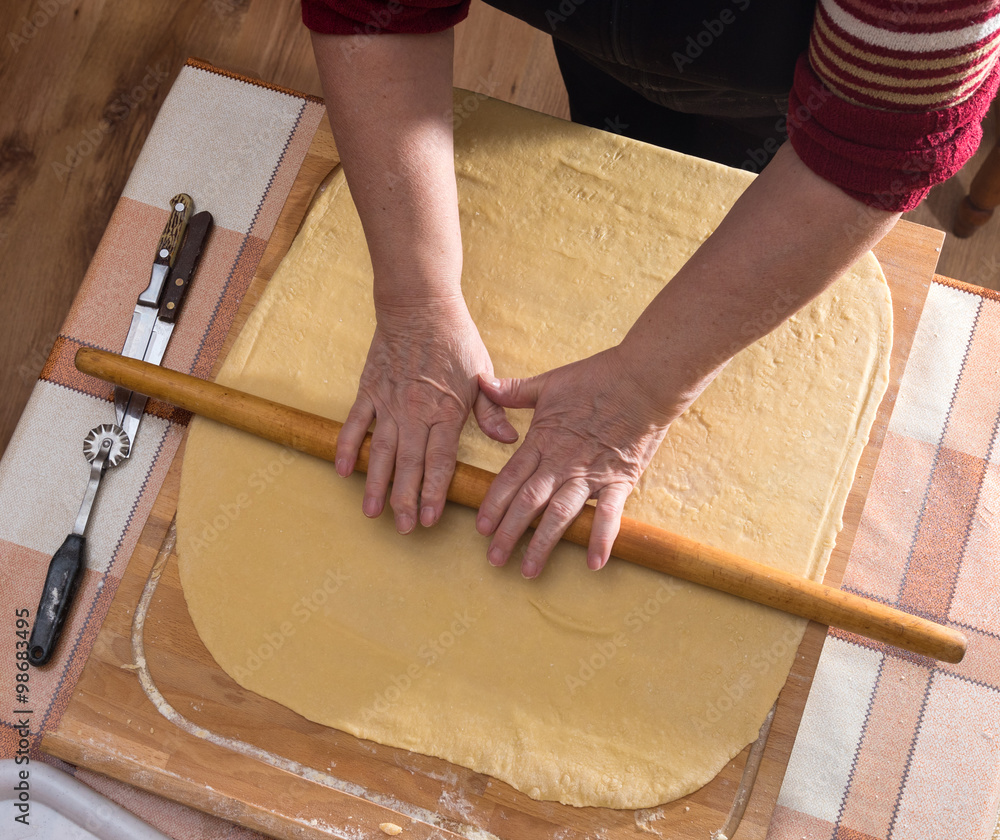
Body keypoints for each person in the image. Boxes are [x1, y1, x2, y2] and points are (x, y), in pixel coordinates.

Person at [301, 0, 1000, 579]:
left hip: (783, 66)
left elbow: (877, 141)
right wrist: (416, 298)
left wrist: (645, 387)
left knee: (735, 143)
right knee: (618, 110)